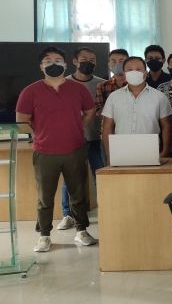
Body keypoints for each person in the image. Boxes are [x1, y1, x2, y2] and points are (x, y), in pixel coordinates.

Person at [16, 46, 97, 252]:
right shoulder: (30, 90)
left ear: (66, 63)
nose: (54, 63)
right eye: (48, 60)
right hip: (45, 151)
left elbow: (89, 112)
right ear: (41, 67)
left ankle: (81, 231)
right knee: (45, 196)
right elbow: (21, 120)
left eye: (58, 59)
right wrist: (39, 133)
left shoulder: (78, 89)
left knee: (78, 193)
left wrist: (76, 125)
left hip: (75, 148)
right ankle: (44, 235)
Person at [60, 47, 106, 230]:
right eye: (85, 59)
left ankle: (105, 209)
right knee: (70, 179)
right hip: (72, 139)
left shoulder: (102, 84)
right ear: (75, 61)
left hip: (96, 138)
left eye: (93, 60)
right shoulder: (64, 83)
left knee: (100, 176)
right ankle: (67, 214)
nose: (89, 62)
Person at [102, 57, 172, 161]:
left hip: (150, 151)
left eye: (138, 69)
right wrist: (109, 155)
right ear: (124, 73)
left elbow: (166, 126)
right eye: (130, 70)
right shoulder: (114, 97)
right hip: (120, 151)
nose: (134, 72)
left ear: (145, 73)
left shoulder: (160, 97)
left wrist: (165, 151)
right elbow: (107, 127)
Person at [95, 49, 129, 114]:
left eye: (121, 61)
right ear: (109, 64)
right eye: (113, 61)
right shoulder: (102, 86)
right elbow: (98, 111)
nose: (117, 64)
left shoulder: (135, 84)